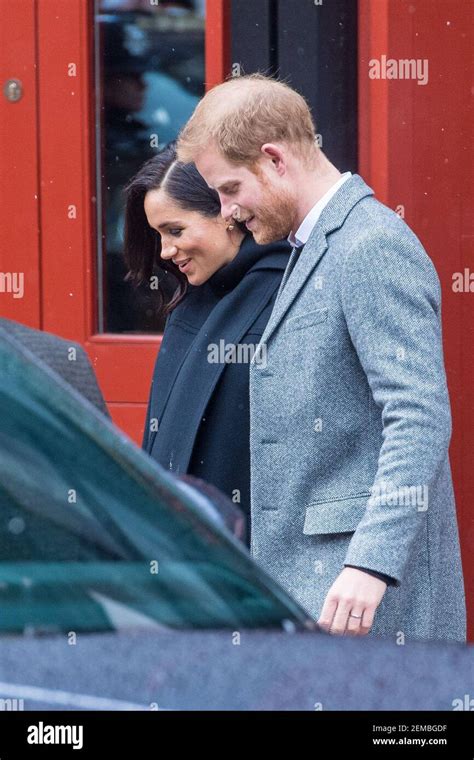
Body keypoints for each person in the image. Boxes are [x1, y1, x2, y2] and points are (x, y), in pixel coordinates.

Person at [176, 73, 466, 641]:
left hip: (366, 593)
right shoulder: (322, 242)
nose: (227, 212)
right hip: (326, 590)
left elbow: (420, 415)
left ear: (274, 159)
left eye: (231, 189)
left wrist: (370, 563)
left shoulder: (370, 243)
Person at [123, 142, 292, 546]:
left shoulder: (290, 290)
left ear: (227, 213)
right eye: (158, 235)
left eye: (175, 230)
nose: (165, 251)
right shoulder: (192, 299)